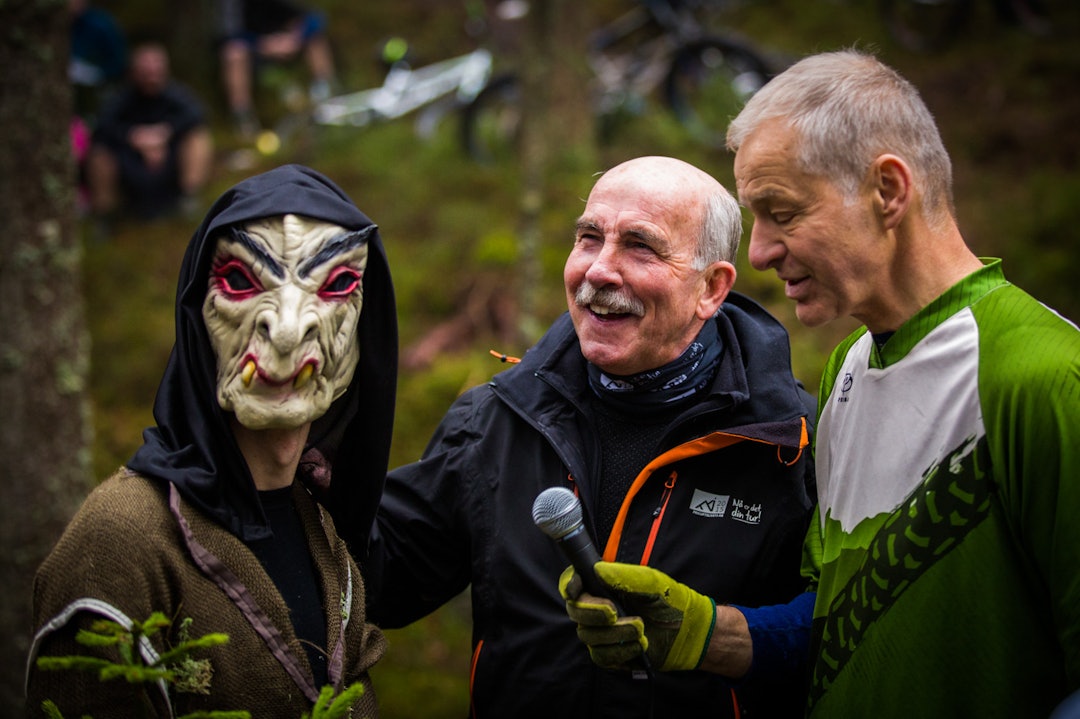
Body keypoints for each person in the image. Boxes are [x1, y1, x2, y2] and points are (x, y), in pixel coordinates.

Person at [564, 49, 1080, 718]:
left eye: (782, 212)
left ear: (888, 191)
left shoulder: (1045, 375)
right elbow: (838, 620)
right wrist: (706, 631)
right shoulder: (845, 372)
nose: (757, 253)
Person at [364, 155, 817, 717]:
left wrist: (719, 638)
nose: (599, 270)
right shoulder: (496, 419)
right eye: (588, 238)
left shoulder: (790, 443)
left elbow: (841, 634)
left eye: (640, 246)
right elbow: (381, 583)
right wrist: (315, 452)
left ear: (711, 288)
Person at [25, 164, 398, 718]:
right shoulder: (120, 542)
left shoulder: (323, 524)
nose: (289, 328)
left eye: (336, 284)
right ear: (197, 317)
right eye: (243, 282)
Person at [84, 41, 213, 222]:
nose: (151, 77)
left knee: (198, 137)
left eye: (156, 71)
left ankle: (189, 198)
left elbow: (199, 114)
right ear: (134, 72)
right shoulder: (120, 97)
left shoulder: (175, 93)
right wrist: (133, 137)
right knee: (99, 152)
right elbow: (101, 125)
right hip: (129, 163)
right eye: (146, 72)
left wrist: (163, 134)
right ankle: (105, 213)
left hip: (169, 163)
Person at [216, 0, 339, 140]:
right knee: (233, 53)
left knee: (315, 37)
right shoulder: (231, 4)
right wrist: (264, 44)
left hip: (286, 43)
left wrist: (293, 38)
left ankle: (326, 96)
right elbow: (228, 35)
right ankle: (243, 117)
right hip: (253, 49)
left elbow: (313, 17)